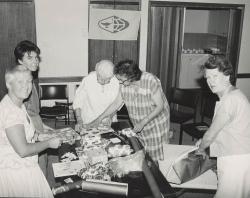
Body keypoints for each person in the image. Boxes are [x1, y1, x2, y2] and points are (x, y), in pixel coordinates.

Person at [87, 59, 170, 163]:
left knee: (156, 156)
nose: (120, 83)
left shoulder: (150, 80)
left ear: (131, 76)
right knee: (142, 152)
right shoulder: (124, 84)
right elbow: (116, 103)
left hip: (156, 124)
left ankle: (159, 176)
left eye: (122, 80)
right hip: (139, 124)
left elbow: (160, 106)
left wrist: (143, 122)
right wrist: (99, 118)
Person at [0, 66, 62, 197]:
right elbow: (23, 150)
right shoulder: (11, 112)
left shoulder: (18, 103)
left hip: (24, 167)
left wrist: (39, 136)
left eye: (29, 81)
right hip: (17, 173)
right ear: (8, 84)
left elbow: (23, 134)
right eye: (20, 82)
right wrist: (49, 144)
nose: (26, 86)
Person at [196, 55, 250, 198]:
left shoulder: (229, 101)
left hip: (236, 160)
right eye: (208, 77)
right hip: (241, 156)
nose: (210, 82)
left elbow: (211, 134)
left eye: (215, 76)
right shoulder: (234, 95)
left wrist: (201, 148)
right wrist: (204, 141)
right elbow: (220, 128)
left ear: (227, 76)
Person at [14, 40, 51, 177]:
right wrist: (37, 133)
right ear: (20, 60)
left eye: (36, 57)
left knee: (42, 163)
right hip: (30, 132)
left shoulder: (30, 78)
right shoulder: (21, 82)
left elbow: (30, 111)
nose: (35, 61)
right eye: (29, 58)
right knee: (37, 169)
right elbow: (20, 115)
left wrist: (44, 126)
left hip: (37, 125)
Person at [73, 60, 119, 131]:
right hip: (88, 121)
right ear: (97, 73)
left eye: (107, 80)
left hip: (107, 122)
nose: (104, 82)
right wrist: (79, 120)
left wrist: (110, 117)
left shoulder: (116, 82)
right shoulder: (88, 80)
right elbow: (78, 102)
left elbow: (116, 103)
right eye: (101, 79)